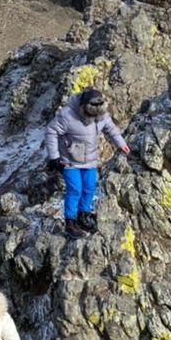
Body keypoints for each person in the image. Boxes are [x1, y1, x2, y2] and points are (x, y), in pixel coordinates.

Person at [45, 87, 130, 237]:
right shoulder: (67, 115)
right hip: (69, 161)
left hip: (90, 160)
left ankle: (84, 215)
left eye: (98, 114)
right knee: (75, 189)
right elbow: (51, 131)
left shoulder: (101, 114)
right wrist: (54, 157)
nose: (95, 117)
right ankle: (70, 222)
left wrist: (121, 143)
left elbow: (111, 129)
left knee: (90, 187)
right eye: (91, 114)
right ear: (83, 107)